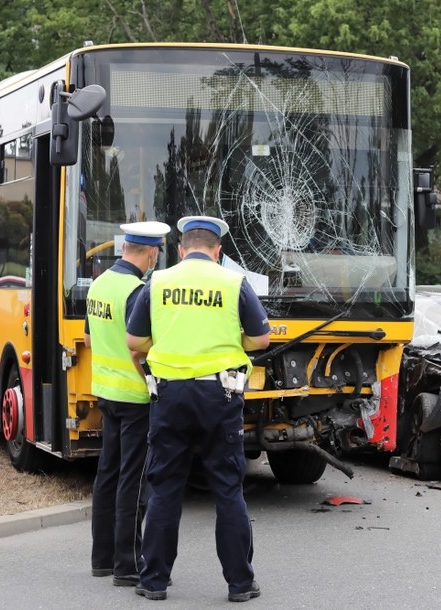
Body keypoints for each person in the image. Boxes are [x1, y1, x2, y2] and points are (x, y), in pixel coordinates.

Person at [126, 215, 270, 603]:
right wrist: (229, 336)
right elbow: (261, 338)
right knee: (227, 488)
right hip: (219, 397)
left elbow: (135, 340)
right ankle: (240, 583)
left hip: (169, 397)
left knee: (165, 488)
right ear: (218, 251)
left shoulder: (157, 283)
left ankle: (154, 580)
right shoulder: (233, 282)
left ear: (181, 249)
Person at [85, 221, 170, 585]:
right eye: (155, 254)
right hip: (134, 396)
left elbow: (89, 339)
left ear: (124, 248)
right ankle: (128, 565)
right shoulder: (137, 290)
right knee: (133, 482)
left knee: (107, 475)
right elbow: (142, 345)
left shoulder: (99, 283)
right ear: (151, 253)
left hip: (105, 393)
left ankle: (102, 557)